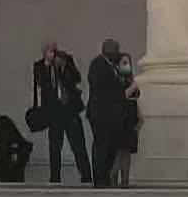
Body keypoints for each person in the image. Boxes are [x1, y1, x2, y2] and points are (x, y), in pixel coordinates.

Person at [32, 42, 91, 184]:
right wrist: (47, 65)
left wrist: (63, 67)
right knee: (54, 147)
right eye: (50, 51)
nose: (53, 53)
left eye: (54, 50)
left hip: (70, 110)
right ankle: (55, 178)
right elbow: (41, 83)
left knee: (78, 145)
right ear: (44, 52)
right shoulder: (39, 66)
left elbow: (77, 78)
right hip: (54, 112)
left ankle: (86, 176)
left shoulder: (67, 60)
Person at [87, 38, 127, 188]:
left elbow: (126, 81)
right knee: (101, 147)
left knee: (111, 147)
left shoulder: (116, 65)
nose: (117, 54)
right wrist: (119, 82)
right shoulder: (97, 64)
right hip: (100, 115)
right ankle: (99, 180)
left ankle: (106, 177)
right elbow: (104, 86)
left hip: (113, 115)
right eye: (115, 51)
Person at [111, 53, 142, 188]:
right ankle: (113, 177)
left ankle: (125, 181)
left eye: (128, 62)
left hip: (131, 117)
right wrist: (133, 87)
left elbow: (135, 99)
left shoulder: (130, 80)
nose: (127, 65)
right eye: (124, 62)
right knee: (118, 151)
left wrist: (140, 117)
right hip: (120, 117)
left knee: (127, 152)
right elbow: (119, 96)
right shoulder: (114, 79)